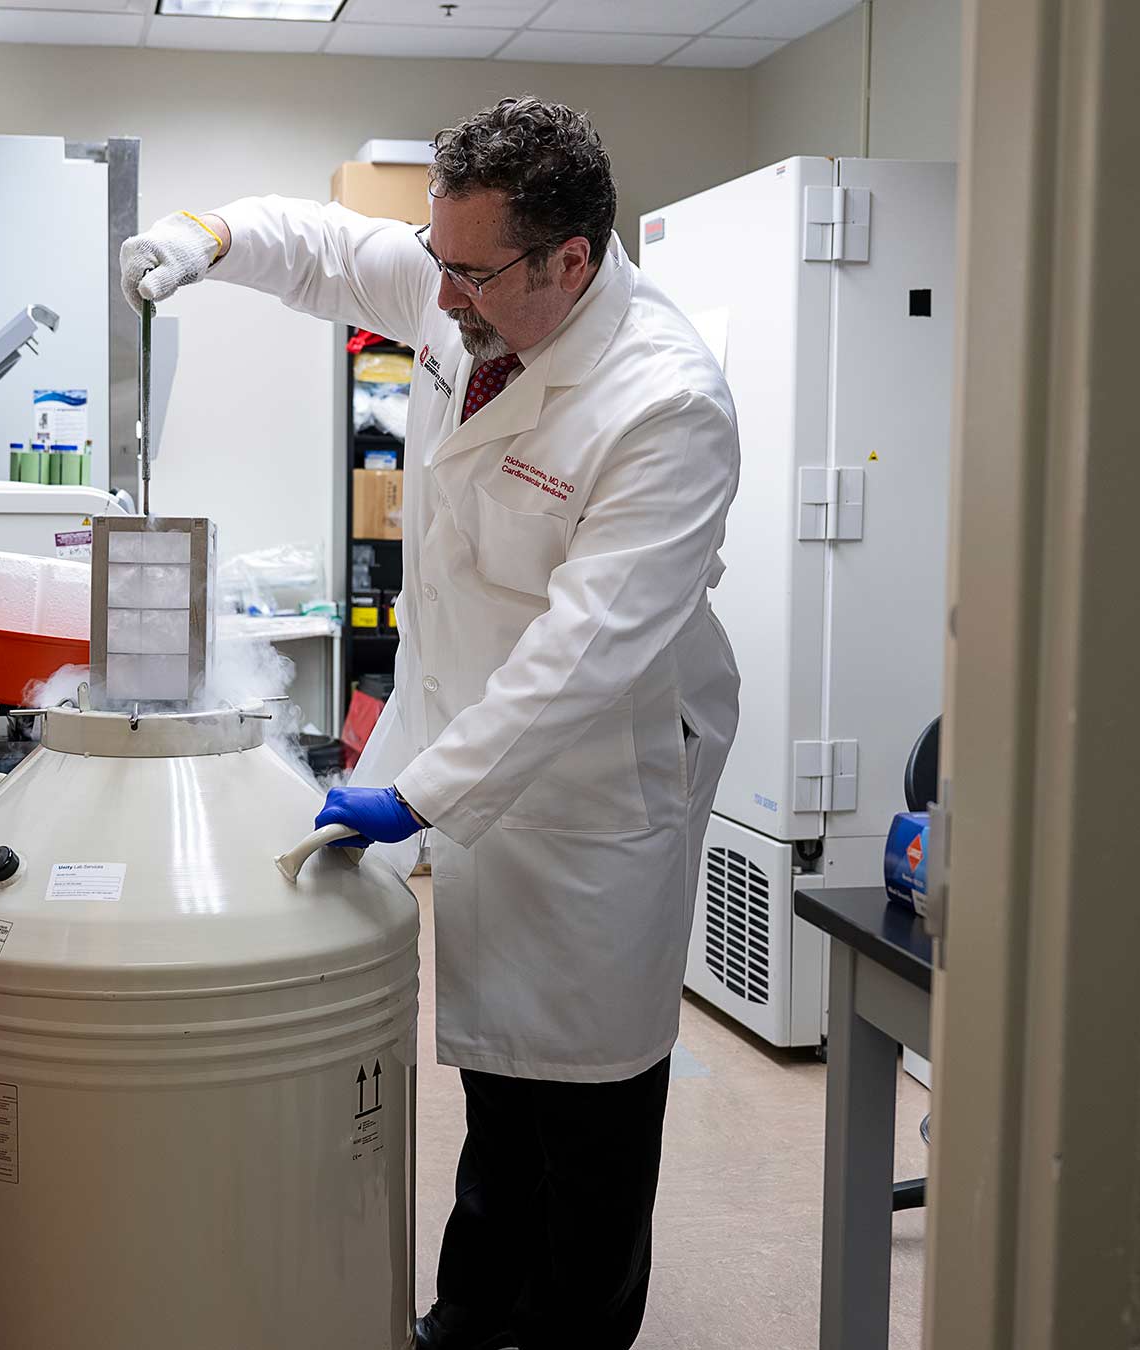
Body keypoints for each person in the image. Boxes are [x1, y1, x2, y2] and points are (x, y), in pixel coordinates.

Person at [120, 97, 741, 1350]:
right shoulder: (477, 281)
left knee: (589, 1098)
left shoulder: (664, 406)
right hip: (465, 719)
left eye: (470, 273)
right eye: (436, 258)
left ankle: (572, 1330)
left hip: (595, 783)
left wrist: (418, 793)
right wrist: (209, 235)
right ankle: (469, 1318)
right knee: (497, 1079)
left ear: (571, 259)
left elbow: (580, 657)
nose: (439, 296)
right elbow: (326, 248)